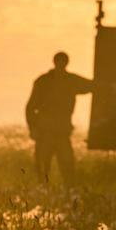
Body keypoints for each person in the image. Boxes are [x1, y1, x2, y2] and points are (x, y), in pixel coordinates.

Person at [25, 52, 92, 183]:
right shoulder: (44, 81)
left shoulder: (69, 80)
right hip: (46, 133)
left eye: (63, 62)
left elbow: (91, 86)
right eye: (60, 61)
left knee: (67, 169)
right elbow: (30, 108)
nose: (61, 64)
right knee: (44, 170)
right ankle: (46, 195)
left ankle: (64, 195)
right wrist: (33, 128)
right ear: (56, 62)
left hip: (60, 132)